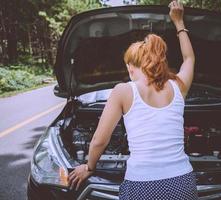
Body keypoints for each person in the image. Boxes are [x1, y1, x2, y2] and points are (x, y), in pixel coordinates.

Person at [67, 0, 197, 199]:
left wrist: (89, 166)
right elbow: (189, 59)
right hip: (182, 182)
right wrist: (179, 23)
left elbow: (100, 141)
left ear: (131, 66)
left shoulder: (123, 91)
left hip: (142, 184)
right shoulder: (178, 86)